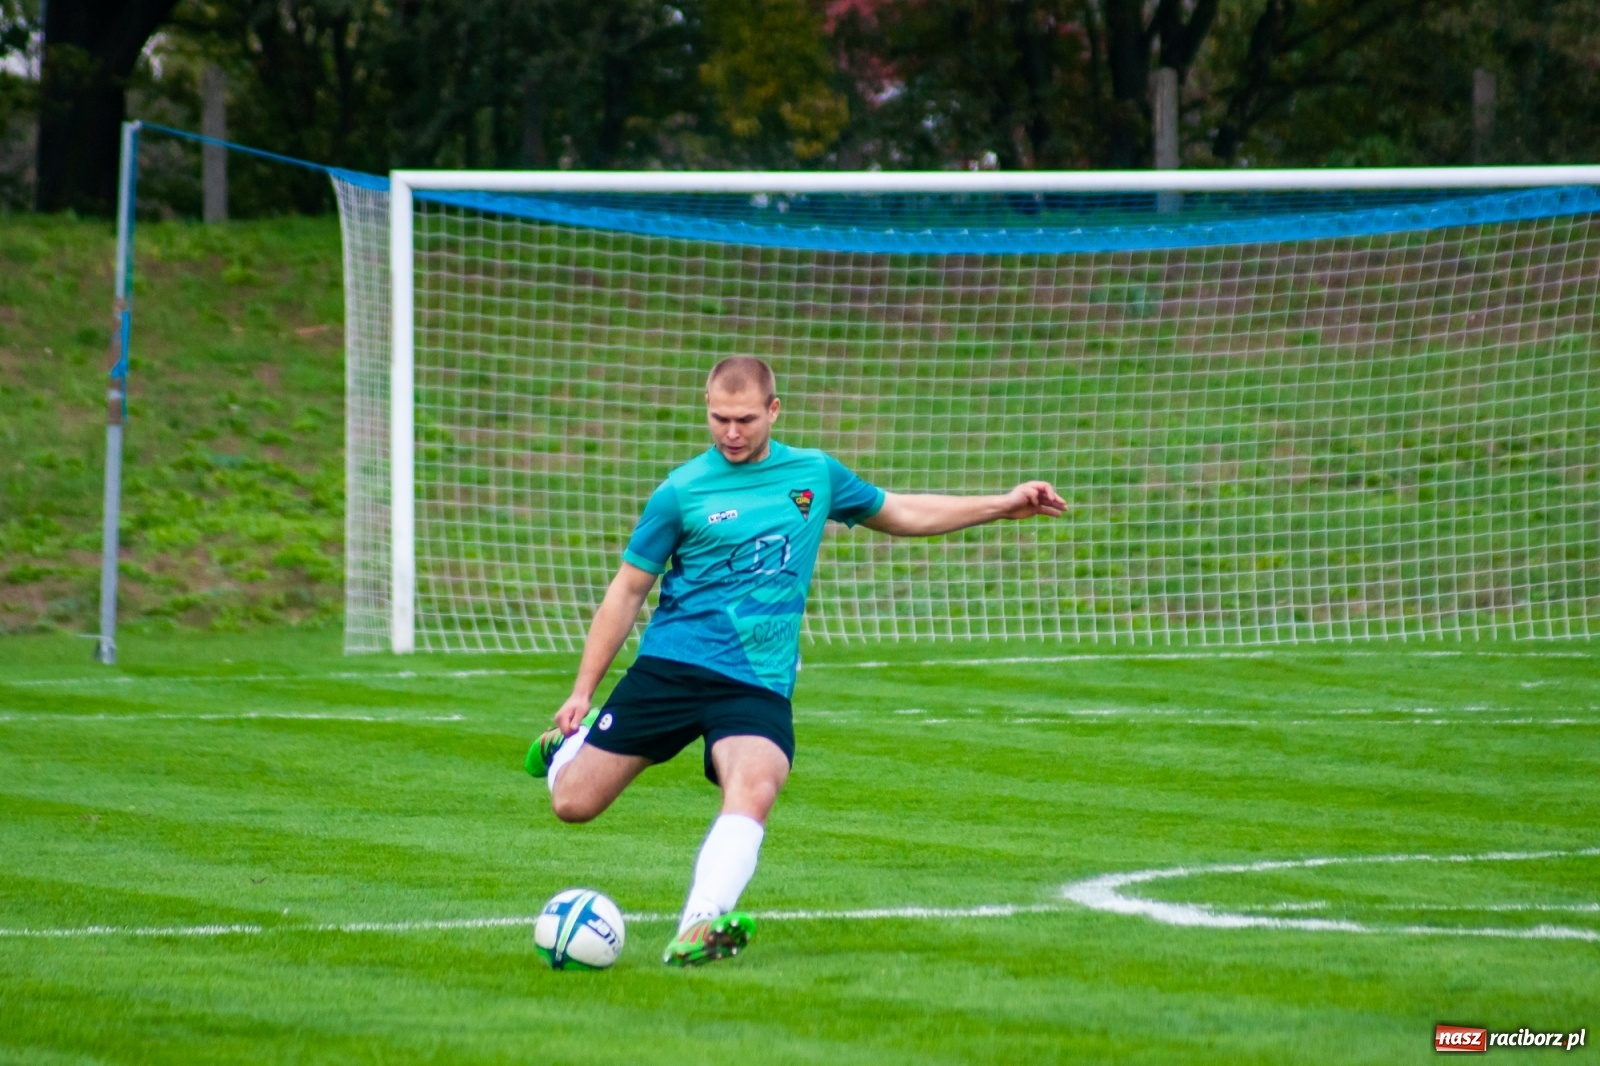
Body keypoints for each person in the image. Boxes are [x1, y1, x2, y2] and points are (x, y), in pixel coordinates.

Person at [526, 355, 1065, 966]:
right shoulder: (680, 492)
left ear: (774, 411)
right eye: (719, 418)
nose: (731, 432)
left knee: (755, 786)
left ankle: (701, 924)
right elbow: (627, 590)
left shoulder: (814, 474)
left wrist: (1001, 503)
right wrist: (581, 691)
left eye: (745, 419)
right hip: (672, 667)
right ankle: (564, 750)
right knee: (574, 804)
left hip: (756, 681)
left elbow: (901, 512)